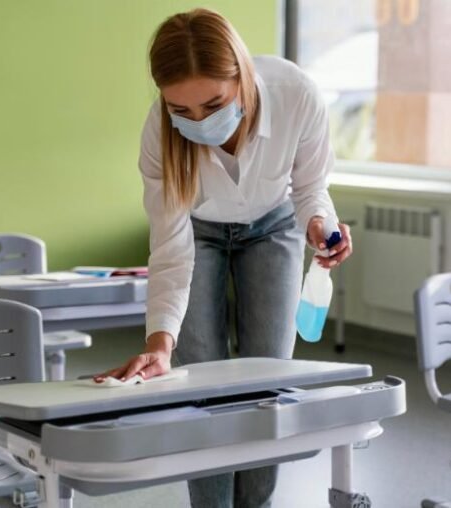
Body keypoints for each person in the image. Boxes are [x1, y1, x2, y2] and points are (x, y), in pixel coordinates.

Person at [96, 7, 353, 508]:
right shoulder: (160, 134)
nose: (200, 122)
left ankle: (255, 503)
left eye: (214, 104)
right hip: (199, 232)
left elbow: (309, 189)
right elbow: (170, 247)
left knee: (267, 383)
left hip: (275, 224)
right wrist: (159, 342)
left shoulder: (296, 93)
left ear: (242, 74)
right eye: (182, 111)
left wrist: (319, 225)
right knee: (197, 384)